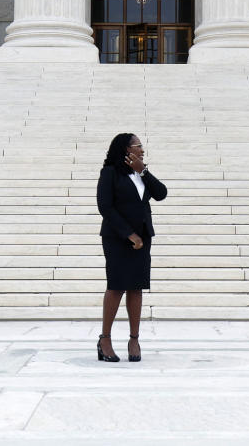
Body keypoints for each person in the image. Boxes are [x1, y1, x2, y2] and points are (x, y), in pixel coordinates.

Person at [96, 132, 167, 363]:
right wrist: (129, 234)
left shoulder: (141, 174)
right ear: (126, 149)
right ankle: (105, 339)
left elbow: (161, 194)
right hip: (117, 237)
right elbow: (105, 207)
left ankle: (134, 339)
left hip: (143, 238)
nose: (142, 150)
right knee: (116, 287)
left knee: (136, 288)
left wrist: (143, 171)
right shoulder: (109, 173)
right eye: (138, 146)